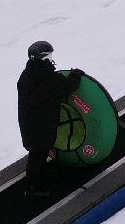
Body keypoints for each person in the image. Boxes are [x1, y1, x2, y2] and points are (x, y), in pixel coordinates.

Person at [16, 40, 81, 197]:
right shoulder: (49, 79)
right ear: (42, 58)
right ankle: (31, 188)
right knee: (37, 155)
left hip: (28, 122)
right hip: (42, 125)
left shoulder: (26, 75)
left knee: (38, 151)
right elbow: (68, 85)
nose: (51, 59)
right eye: (49, 56)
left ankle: (41, 172)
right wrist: (76, 75)